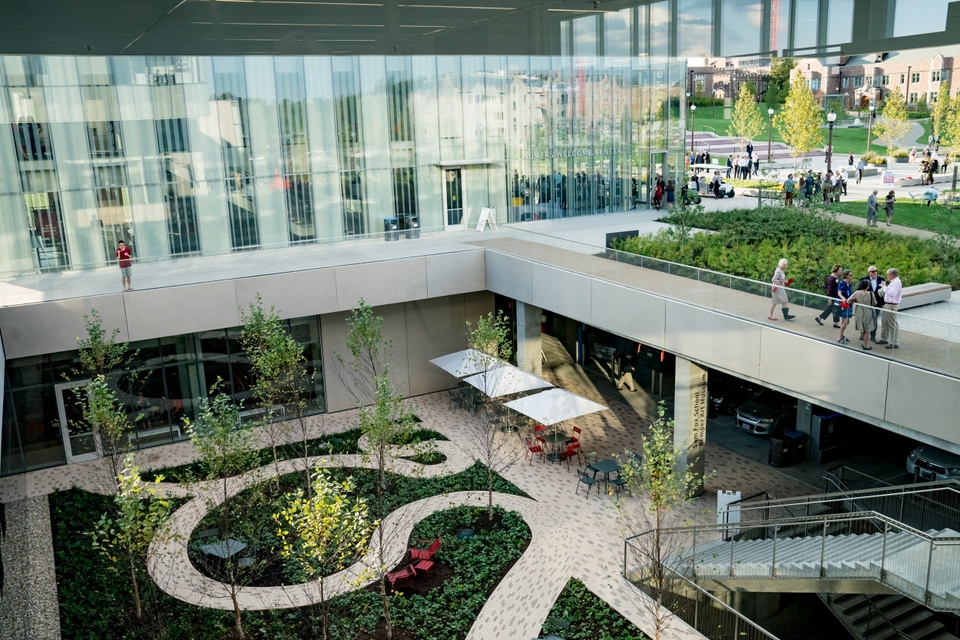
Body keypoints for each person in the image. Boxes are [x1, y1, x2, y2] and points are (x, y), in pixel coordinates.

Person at [860, 265, 886, 342]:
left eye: (876, 271)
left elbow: (884, 292)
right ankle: (863, 333)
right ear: (869, 273)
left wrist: (883, 303)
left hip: (877, 304)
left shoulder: (881, 280)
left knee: (874, 320)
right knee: (865, 319)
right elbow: (859, 291)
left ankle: (873, 336)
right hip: (867, 304)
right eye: (873, 271)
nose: (875, 272)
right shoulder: (863, 280)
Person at [878, 268, 902, 349]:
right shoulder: (894, 282)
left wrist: (884, 287)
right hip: (887, 305)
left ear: (891, 275)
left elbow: (892, 293)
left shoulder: (897, 283)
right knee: (885, 321)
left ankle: (894, 342)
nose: (887, 276)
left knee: (892, 324)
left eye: (887, 274)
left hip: (892, 305)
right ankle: (884, 338)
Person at [851, 280, 876, 350]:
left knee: (861, 326)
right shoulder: (871, 293)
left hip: (859, 311)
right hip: (868, 312)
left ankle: (863, 339)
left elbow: (849, 300)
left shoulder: (856, 293)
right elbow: (874, 303)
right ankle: (865, 345)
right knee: (867, 330)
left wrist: (856, 301)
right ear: (868, 286)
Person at [836, 269, 854, 344]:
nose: (851, 276)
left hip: (849, 303)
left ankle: (842, 335)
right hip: (844, 304)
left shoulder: (849, 284)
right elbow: (839, 293)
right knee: (847, 321)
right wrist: (843, 298)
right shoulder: (842, 283)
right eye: (850, 275)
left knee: (843, 321)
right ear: (846, 275)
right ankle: (840, 336)